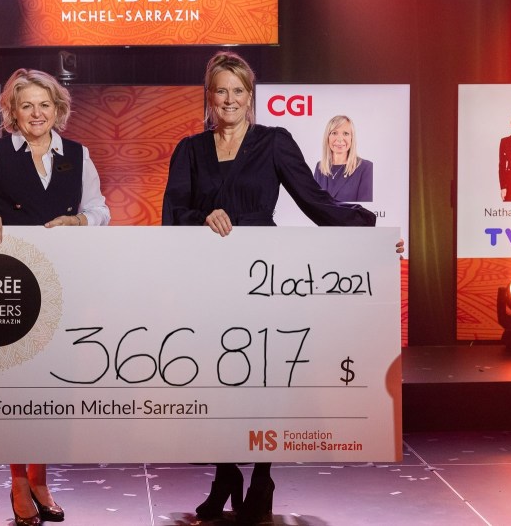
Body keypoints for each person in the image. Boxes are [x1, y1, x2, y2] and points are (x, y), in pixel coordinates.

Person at [162, 52, 378, 525]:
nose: (230, 99)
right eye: (221, 90)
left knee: (262, 379)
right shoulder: (189, 149)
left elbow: (316, 202)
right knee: (218, 379)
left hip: (264, 277)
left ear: (250, 96)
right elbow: (171, 214)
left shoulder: (274, 142)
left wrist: (371, 233)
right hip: (209, 278)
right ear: (209, 96)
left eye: (238, 91)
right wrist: (203, 216)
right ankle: (224, 475)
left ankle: (262, 475)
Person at [0, 68, 110, 526]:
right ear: (13, 111)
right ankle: (18, 480)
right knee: (15, 387)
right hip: (12, 284)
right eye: (27, 106)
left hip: (63, 283)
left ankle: (41, 478)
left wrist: (81, 222)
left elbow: (100, 210)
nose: (37, 113)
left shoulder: (78, 155)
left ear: (58, 109)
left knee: (50, 386)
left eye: (45, 105)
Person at [313, 114, 373, 202]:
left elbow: (365, 207)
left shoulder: (366, 167)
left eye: (346, 133)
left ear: (352, 138)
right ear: (327, 137)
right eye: (334, 133)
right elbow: (314, 202)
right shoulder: (320, 167)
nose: (340, 139)